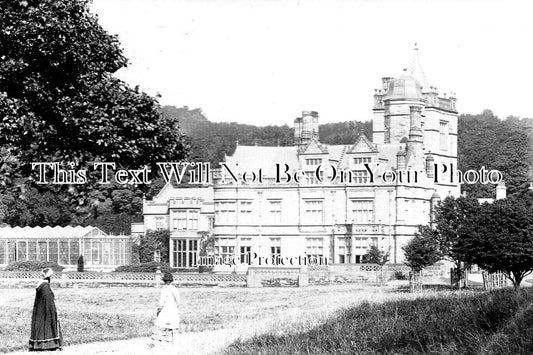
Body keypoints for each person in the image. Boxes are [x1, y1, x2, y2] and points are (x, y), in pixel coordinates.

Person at [29, 268, 63, 351]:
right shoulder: (45, 286)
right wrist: (54, 310)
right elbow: (48, 300)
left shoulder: (42, 285)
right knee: (47, 324)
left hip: (40, 310)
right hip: (46, 309)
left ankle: (40, 344)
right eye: (50, 276)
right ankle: (49, 344)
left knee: (42, 324)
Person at [151, 272, 180, 345]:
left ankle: (158, 342)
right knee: (173, 327)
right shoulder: (174, 289)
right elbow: (178, 301)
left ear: (164, 281)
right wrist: (174, 307)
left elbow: (161, 302)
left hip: (165, 310)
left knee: (160, 325)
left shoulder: (165, 289)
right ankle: (173, 342)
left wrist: (159, 310)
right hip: (173, 310)